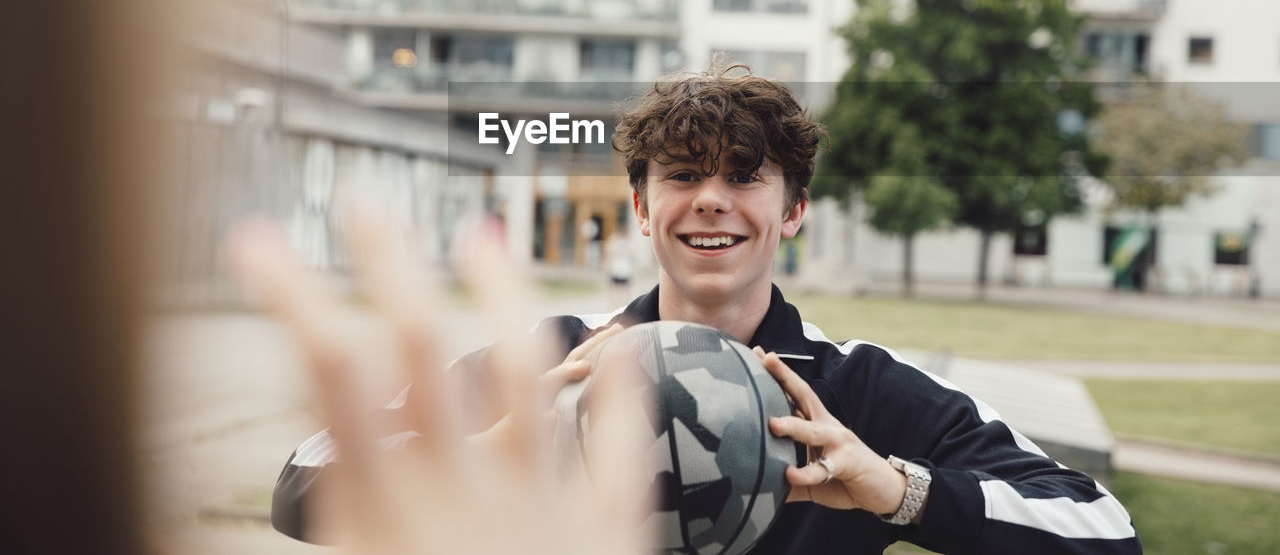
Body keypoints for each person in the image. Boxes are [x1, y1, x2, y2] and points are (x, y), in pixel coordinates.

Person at [272, 64, 1143, 554]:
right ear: (643, 207)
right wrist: (484, 449)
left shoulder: (858, 390)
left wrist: (897, 490)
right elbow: (301, 481)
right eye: (683, 175)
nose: (712, 200)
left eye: (743, 175)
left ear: (793, 207)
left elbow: (1105, 530)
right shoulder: (553, 358)